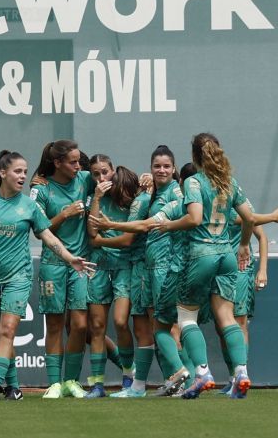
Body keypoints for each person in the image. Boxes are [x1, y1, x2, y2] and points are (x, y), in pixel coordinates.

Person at [0, 150, 95, 401]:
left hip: (19, 277)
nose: (23, 176)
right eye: (18, 171)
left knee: (8, 330)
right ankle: (14, 386)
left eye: (25, 172)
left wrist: (70, 258)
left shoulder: (29, 206)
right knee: (1, 334)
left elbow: (48, 236)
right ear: (3, 173)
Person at [150, 133, 257, 399]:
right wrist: (243, 244)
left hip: (201, 255)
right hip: (227, 256)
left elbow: (194, 218)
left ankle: (202, 373)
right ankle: (241, 372)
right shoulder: (229, 183)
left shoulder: (195, 182)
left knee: (186, 317)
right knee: (227, 318)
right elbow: (250, 218)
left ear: (195, 156)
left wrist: (169, 225)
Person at [91, 145, 189, 398]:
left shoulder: (167, 195)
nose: (161, 170)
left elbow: (142, 227)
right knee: (145, 329)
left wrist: (108, 228)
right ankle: (140, 385)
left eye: (166, 166)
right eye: (157, 166)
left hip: (161, 268)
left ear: (174, 168)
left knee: (165, 327)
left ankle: (183, 376)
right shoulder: (151, 192)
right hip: (144, 268)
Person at [31, 140, 95, 398]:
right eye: (72, 162)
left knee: (80, 325)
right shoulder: (41, 189)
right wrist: (64, 214)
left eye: (79, 161)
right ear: (57, 163)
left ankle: (71, 381)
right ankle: (54, 383)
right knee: (55, 325)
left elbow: (109, 175)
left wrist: (145, 179)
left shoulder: (85, 179)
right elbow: (39, 230)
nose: (78, 166)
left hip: (80, 265)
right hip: (53, 264)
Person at [215, 198, 278, 395]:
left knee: (239, 322)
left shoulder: (238, 200)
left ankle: (242, 375)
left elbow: (260, 235)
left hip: (240, 268)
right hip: (217, 268)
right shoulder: (206, 198)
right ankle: (232, 376)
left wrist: (262, 270)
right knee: (221, 326)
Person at [84, 157, 139, 397]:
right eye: (95, 174)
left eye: (104, 172)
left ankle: (129, 374)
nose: (101, 179)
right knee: (96, 326)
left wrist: (102, 240)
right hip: (98, 266)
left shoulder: (127, 195)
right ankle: (97, 385)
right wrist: (96, 197)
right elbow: (91, 231)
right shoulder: (93, 198)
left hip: (123, 266)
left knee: (120, 322)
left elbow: (128, 240)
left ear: (113, 170)